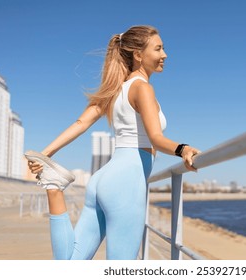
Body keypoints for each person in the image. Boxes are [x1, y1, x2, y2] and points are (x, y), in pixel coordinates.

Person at [26, 25, 200, 260]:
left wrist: (45, 155)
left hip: (103, 178)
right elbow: (156, 138)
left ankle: (54, 188)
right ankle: (54, 187)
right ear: (138, 55)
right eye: (158, 49)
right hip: (126, 182)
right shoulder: (142, 88)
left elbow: (80, 123)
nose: (164, 55)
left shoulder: (114, 90)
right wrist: (183, 149)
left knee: (70, 263)